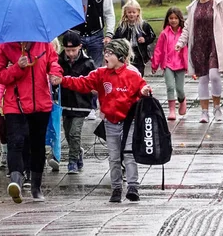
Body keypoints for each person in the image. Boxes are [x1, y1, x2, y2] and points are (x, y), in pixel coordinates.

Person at [51, 39, 152, 203]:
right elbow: (83, 82)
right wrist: (63, 80)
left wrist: (145, 90)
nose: (105, 55)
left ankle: (133, 186)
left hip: (129, 123)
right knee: (113, 157)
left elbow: (142, 88)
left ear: (120, 56)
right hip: (110, 122)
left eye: (110, 53)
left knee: (129, 154)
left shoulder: (132, 75)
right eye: (105, 52)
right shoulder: (100, 74)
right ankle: (116, 188)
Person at [0, 40, 63, 203]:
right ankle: (16, 181)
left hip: (41, 104)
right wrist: (17, 67)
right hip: (14, 104)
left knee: (37, 146)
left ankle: (36, 187)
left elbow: (54, 62)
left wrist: (55, 73)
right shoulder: (3, 48)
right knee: (15, 142)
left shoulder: (44, 45)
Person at [175, 0, 223, 124]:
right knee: (203, 79)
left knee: (215, 76)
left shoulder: (219, 2)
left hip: (215, 45)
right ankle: (204, 112)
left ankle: (217, 107)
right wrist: (181, 42)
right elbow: (188, 27)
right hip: (199, 46)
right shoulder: (193, 6)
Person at [72, 0, 115, 119]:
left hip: (96, 34)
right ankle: (76, 104)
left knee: (95, 70)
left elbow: (109, 13)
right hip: (77, 34)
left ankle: (91, 106)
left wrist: (109, 34)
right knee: (76, 71)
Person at [57, 31, 96, 174]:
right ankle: (78, 151)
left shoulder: (88, 63)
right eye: (68, 50)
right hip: (66, 103)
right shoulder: (58, 61)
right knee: (68, 133)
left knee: (74, 132)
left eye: (73, 50)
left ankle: (72, 161)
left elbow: (93, 83)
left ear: (80, 47)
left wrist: (93, 100)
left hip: (82, 104)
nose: (71, 53)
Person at [151, 7, 188, 120]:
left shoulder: (184, 33)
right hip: (168, 65)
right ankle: (172, 110)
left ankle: (182, 100)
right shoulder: (164, 34)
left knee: (180, 89)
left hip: (181, 65)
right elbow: (158, 50)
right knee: (170, 87)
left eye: (176, 18)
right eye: (171, 18)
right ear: (167, 19)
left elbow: (189, 49)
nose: (173, 20)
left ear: (180, 19)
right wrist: (155, 64)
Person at [113, 0, 156, 76]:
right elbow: (116, 38)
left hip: (139, 54)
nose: (131, 14)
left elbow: (152, 36)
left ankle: (139, 86)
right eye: (129, 12)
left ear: (138, 13)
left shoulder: (144, 25)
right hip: (126, 54)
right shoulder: (122, 26)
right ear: (125, 13)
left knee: (139, 73)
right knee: (127, 73)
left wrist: (145, 40)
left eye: (134, 12)